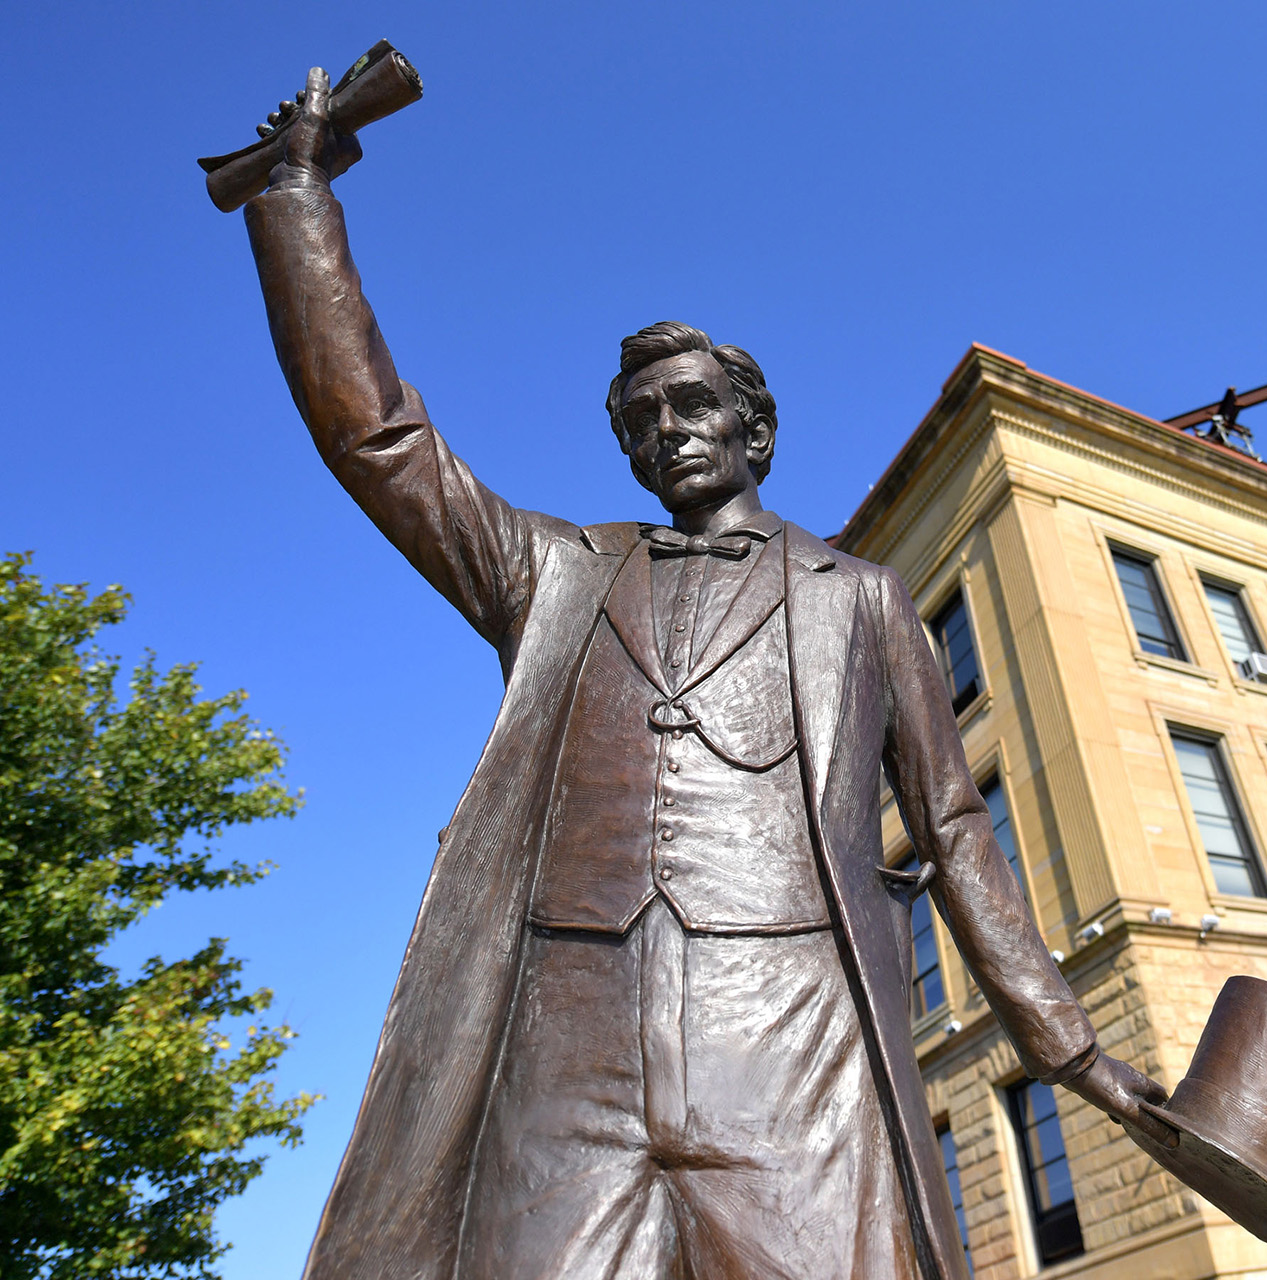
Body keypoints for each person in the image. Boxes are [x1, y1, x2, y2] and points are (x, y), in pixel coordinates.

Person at [243, 67, 1171, 1280]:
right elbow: (377, 439)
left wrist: (1074, 1050)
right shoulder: (554, 574)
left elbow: (955, 831)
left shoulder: (861, 599)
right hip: (564, 1054)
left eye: (691, 405)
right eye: (640, 420)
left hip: (789, 1037)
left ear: (753, 429)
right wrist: (298, 194)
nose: (666, 430)